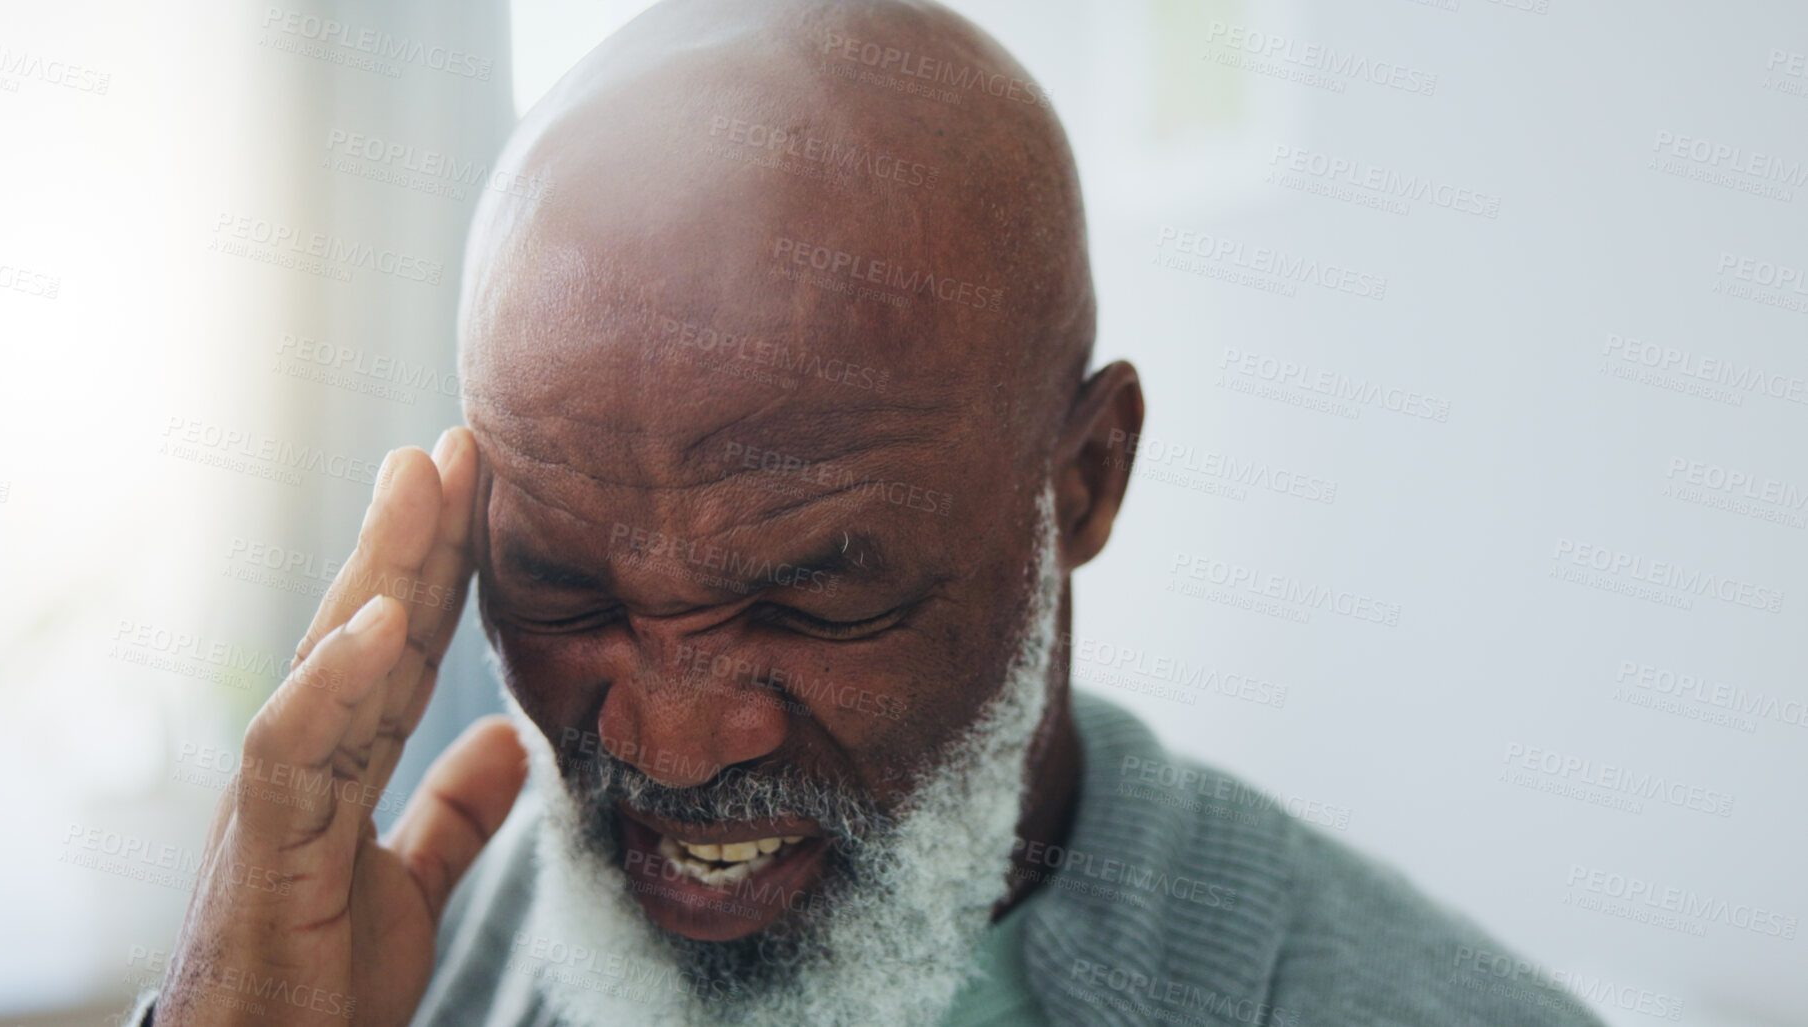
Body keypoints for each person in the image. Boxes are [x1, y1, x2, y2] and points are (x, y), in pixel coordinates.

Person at [133, 1, 1604, 1024]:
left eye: (809, 594)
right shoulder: (419, 955)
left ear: (1082, 483)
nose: (666, 742)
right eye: (567, 591)